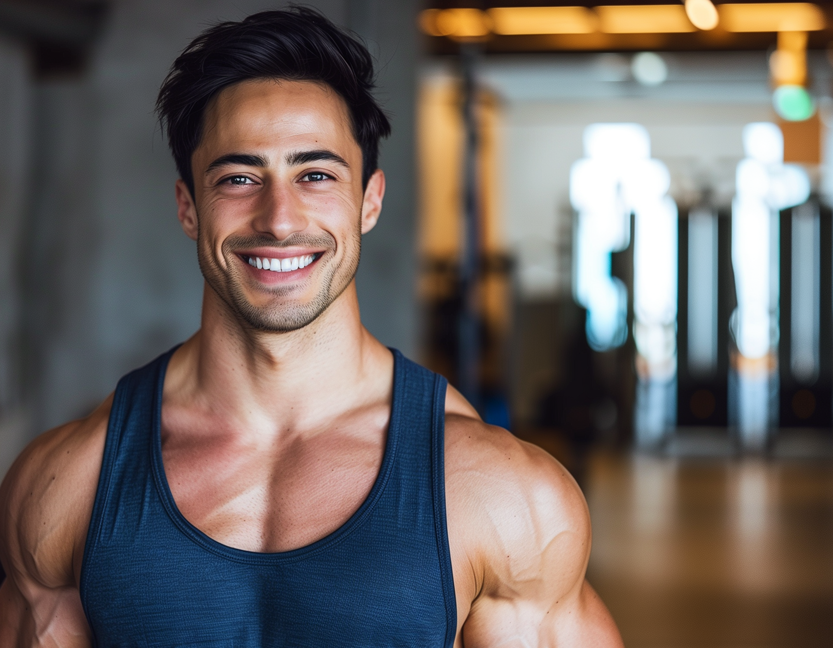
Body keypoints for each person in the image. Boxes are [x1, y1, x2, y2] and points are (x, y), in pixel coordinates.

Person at [0, 7, 623, 646]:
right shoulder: (69, 483)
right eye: (239, 177)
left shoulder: (501, 495)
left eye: (316, 175)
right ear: (188, 206)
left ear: (370, 201)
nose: (278, 218)